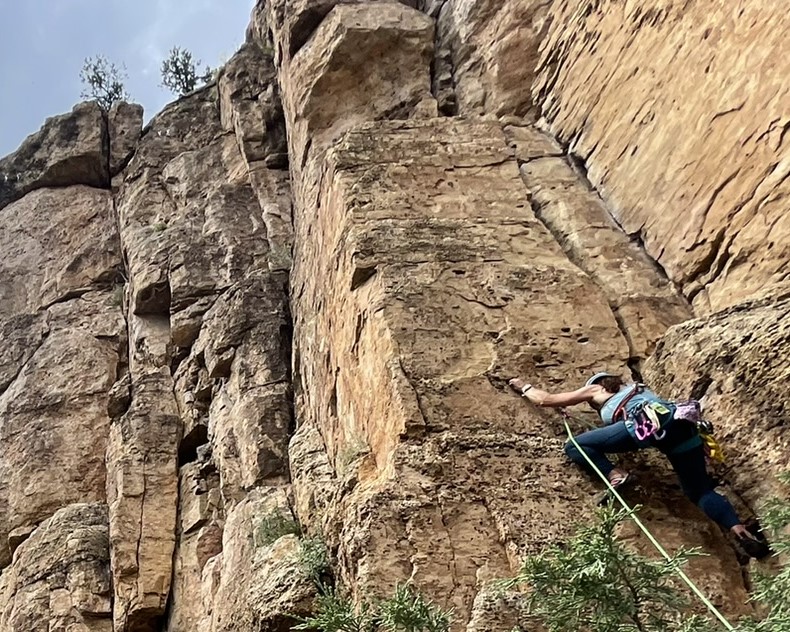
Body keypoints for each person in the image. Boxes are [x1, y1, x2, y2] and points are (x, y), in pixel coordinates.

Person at [508, 372, 769, 558]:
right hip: (680, 427)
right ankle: (740, 530)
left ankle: (615, 474)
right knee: (699, 491)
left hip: (645, 425)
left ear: (600, 385)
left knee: (574, 446)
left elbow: (546, 399)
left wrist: (524, 386)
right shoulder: (639, 389)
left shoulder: (597, 389)